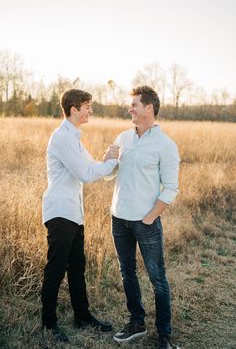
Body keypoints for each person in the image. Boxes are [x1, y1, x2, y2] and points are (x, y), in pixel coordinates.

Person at [41, 88, 119, 343]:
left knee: (77, 267)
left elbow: (91, 167)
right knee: (56, 268)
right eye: (87, 107)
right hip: (61, 211)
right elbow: (86, 173)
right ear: (74, 109)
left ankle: (82, 317)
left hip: (74, 213)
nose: (90, 111)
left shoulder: (74, 138)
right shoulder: (62, 137)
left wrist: (110, 164)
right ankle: (48, 324)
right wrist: (110, 164)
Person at [110, 86, 180, 349]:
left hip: (146, 222)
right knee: (127, 272)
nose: (130, 109)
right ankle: (136, 322)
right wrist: (107, 159)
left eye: (134, 105)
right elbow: (110, 174)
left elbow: (171, 188)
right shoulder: (123, 138)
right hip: (119, 219)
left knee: (157, 278)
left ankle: (164, 336)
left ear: (148, 108)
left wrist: (151, 217)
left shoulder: (165, 145)